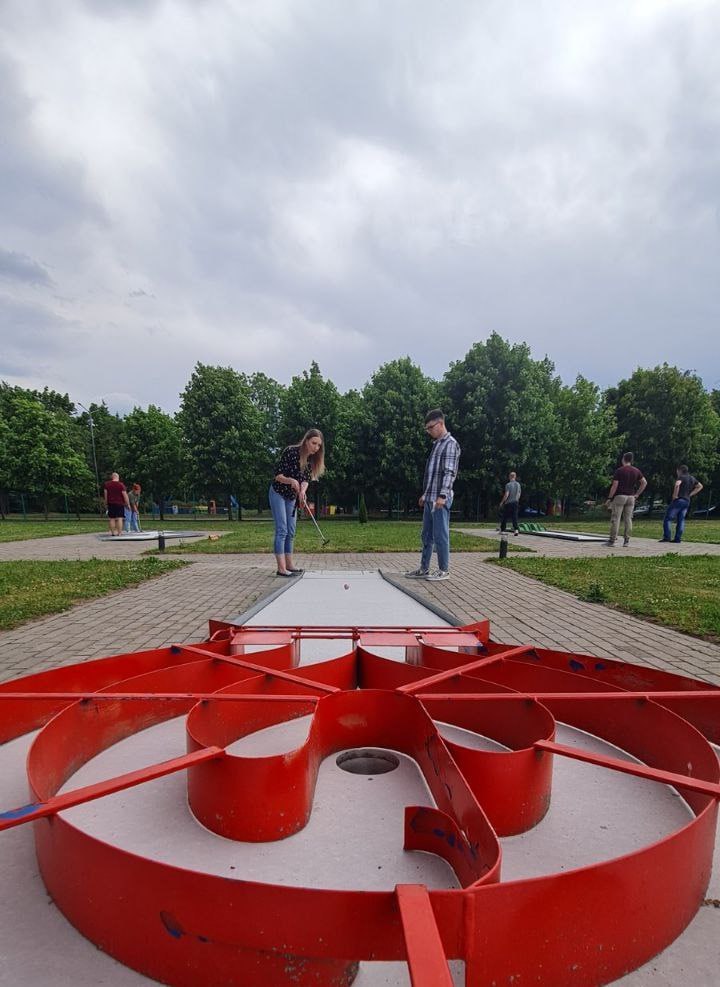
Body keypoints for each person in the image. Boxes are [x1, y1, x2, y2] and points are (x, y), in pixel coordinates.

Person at [405, 409, 461, 581]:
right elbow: (432, 473)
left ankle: (444, 570)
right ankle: (424, 568)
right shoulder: (437, 444)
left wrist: (442, 496)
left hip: (440, 500)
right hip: (430, 498)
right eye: (427, 429)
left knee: (440, 535)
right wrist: (425, 494)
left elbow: (449, 472)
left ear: (441, 423)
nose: (429, 431)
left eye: (431, 427)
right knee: (426, 535)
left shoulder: (450, 443)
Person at [270, 429, 325, 576]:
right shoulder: (290, 452)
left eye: (319, 445)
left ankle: (290, 565)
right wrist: (291, 481)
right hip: (278, 493)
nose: (316, 447)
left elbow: (306, 480)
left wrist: (302, 491)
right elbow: (278, 475)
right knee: (282, 530)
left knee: (291, 531)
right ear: (306, 440)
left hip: (291, 497)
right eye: (314, 443)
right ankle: (281, 569)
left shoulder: (311, 460)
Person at [604, 452, 647, 547]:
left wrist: (609, 498)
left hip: (620, 496)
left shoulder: (619, 471)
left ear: (623, 459)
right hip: (631, 497)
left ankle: (612, 540)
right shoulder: (636, 471)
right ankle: (626, 541)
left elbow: (615, 485)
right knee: (628, 519)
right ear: (631, 460)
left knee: (616, 518)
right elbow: (644, 482)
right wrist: (637, 494)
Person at [660, 465, 703, 544]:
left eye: (677, 471)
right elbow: (700, 486)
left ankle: (667, 537)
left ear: (680, 470)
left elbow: (677, 484)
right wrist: (691, 494)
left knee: (668, 518)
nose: (677, 473)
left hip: (679, 500)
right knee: (681, 520)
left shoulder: (681, 477)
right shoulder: (692, 478)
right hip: (687, 501)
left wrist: (674, 495)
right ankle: (677, 538)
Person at [103, 472, 130, 537]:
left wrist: (106, 502)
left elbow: (105, 494)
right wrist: (127, 504)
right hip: (120, 504)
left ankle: (112, 533)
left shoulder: (107, 484)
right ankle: (119, 533)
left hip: (111, 503)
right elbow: (125, 495)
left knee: (111, 518)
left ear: (112, 477)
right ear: (118, 477)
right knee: (119, 518)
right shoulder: (121, 485)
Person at [499, 471, 521, 536]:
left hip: (508, 503)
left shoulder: (508, 485)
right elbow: (519, 494)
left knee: (505, 516)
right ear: (515, 477)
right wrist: (517, 500)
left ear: (510, 477)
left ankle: (502, 530)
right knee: (514, 517)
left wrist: (502, 502)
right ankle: (516, 530)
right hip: (515, 502)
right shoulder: (518, 484)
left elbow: (507, 494)